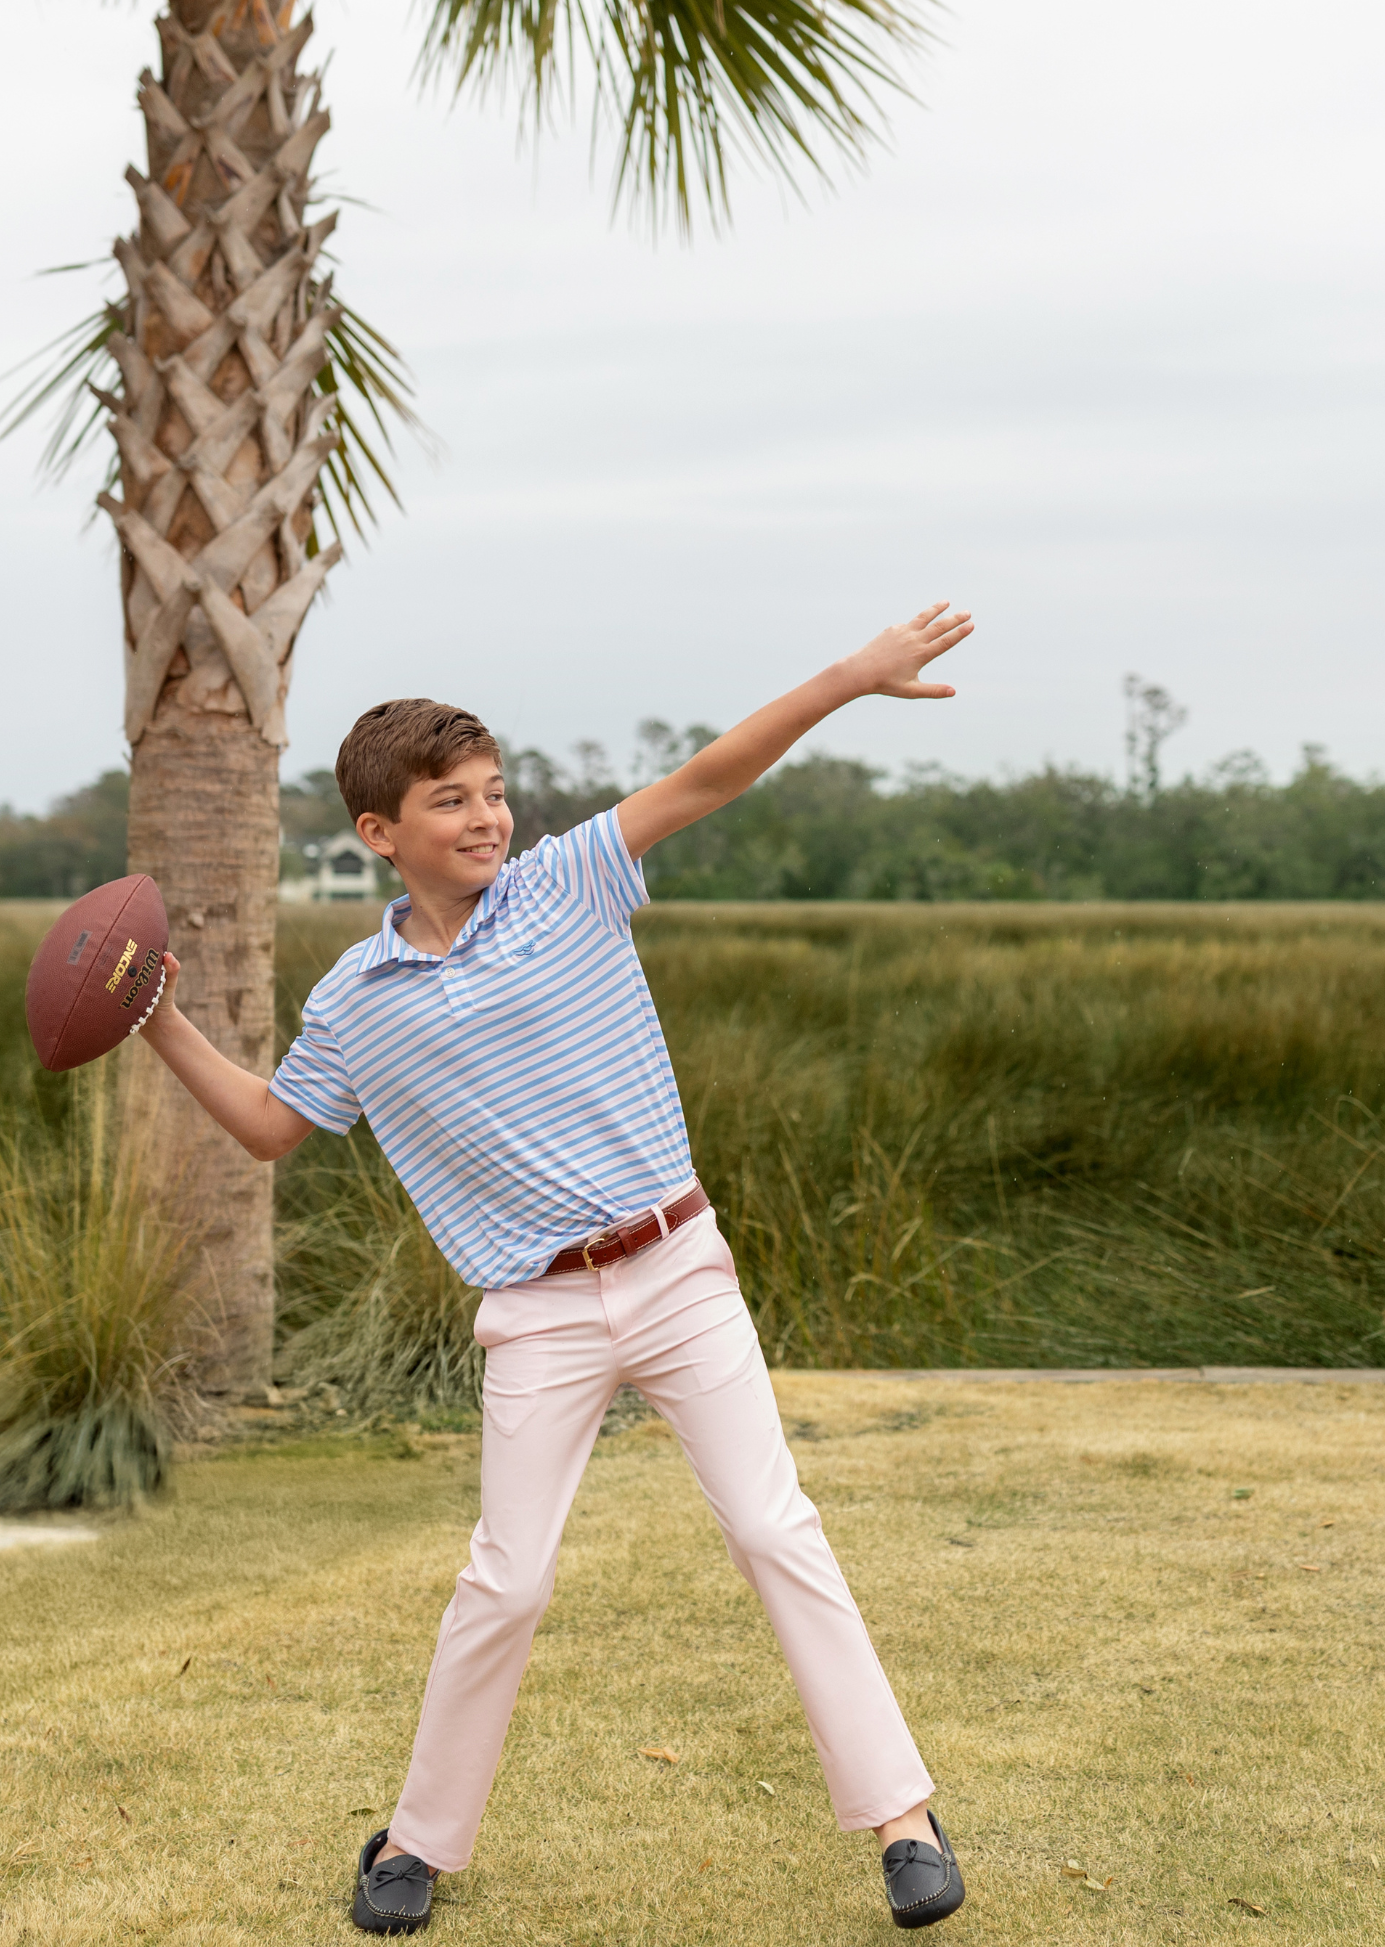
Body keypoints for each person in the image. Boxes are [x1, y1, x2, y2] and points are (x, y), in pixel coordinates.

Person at [138, 605, 976, 1935]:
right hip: (536, 1314)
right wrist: (161, 1021)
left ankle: (906, 1825)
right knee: (508, 1577)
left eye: (493, 793)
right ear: (378, 834)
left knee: (773, 1529)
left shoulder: (570, 883)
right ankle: (414, 1844)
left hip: (678, 1268)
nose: (485, 819)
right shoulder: (354, 1000)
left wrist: (849, 680)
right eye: (449, 802)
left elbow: (707, 776)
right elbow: (271, 1130)